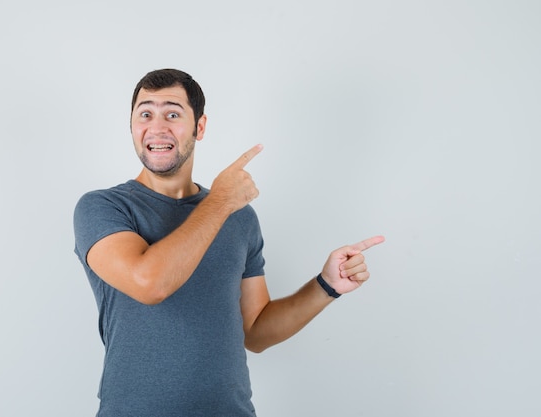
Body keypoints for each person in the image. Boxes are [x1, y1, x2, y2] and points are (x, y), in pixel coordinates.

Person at [73, 68, 385, 416]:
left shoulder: (238, 217)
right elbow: (150, 283)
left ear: (199, 127)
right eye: (145, 114)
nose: (157, 127)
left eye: (172, 114)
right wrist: (220, 202)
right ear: (132, 126)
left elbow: (255, 332)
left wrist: (326, 285)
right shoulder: (103, 208)